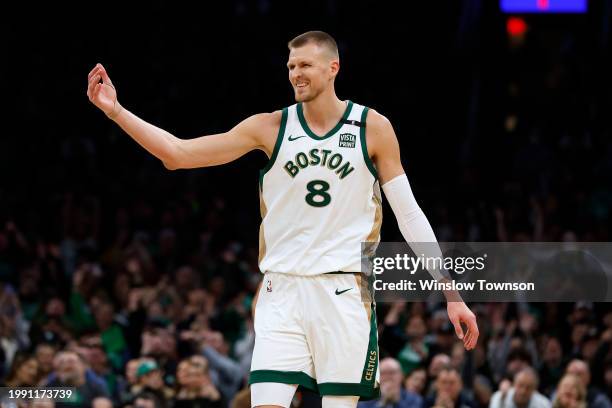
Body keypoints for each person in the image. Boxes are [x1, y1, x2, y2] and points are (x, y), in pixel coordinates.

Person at [87, 30, 479, 408]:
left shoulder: (373, 127)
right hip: (281, 291)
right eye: (291, 66)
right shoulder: (270, 126)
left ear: (333, 68)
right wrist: (117, 112)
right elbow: (178, 153)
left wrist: (451, 293)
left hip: (342, 291)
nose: (295, 74)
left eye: (305, 64)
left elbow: (409, 214)